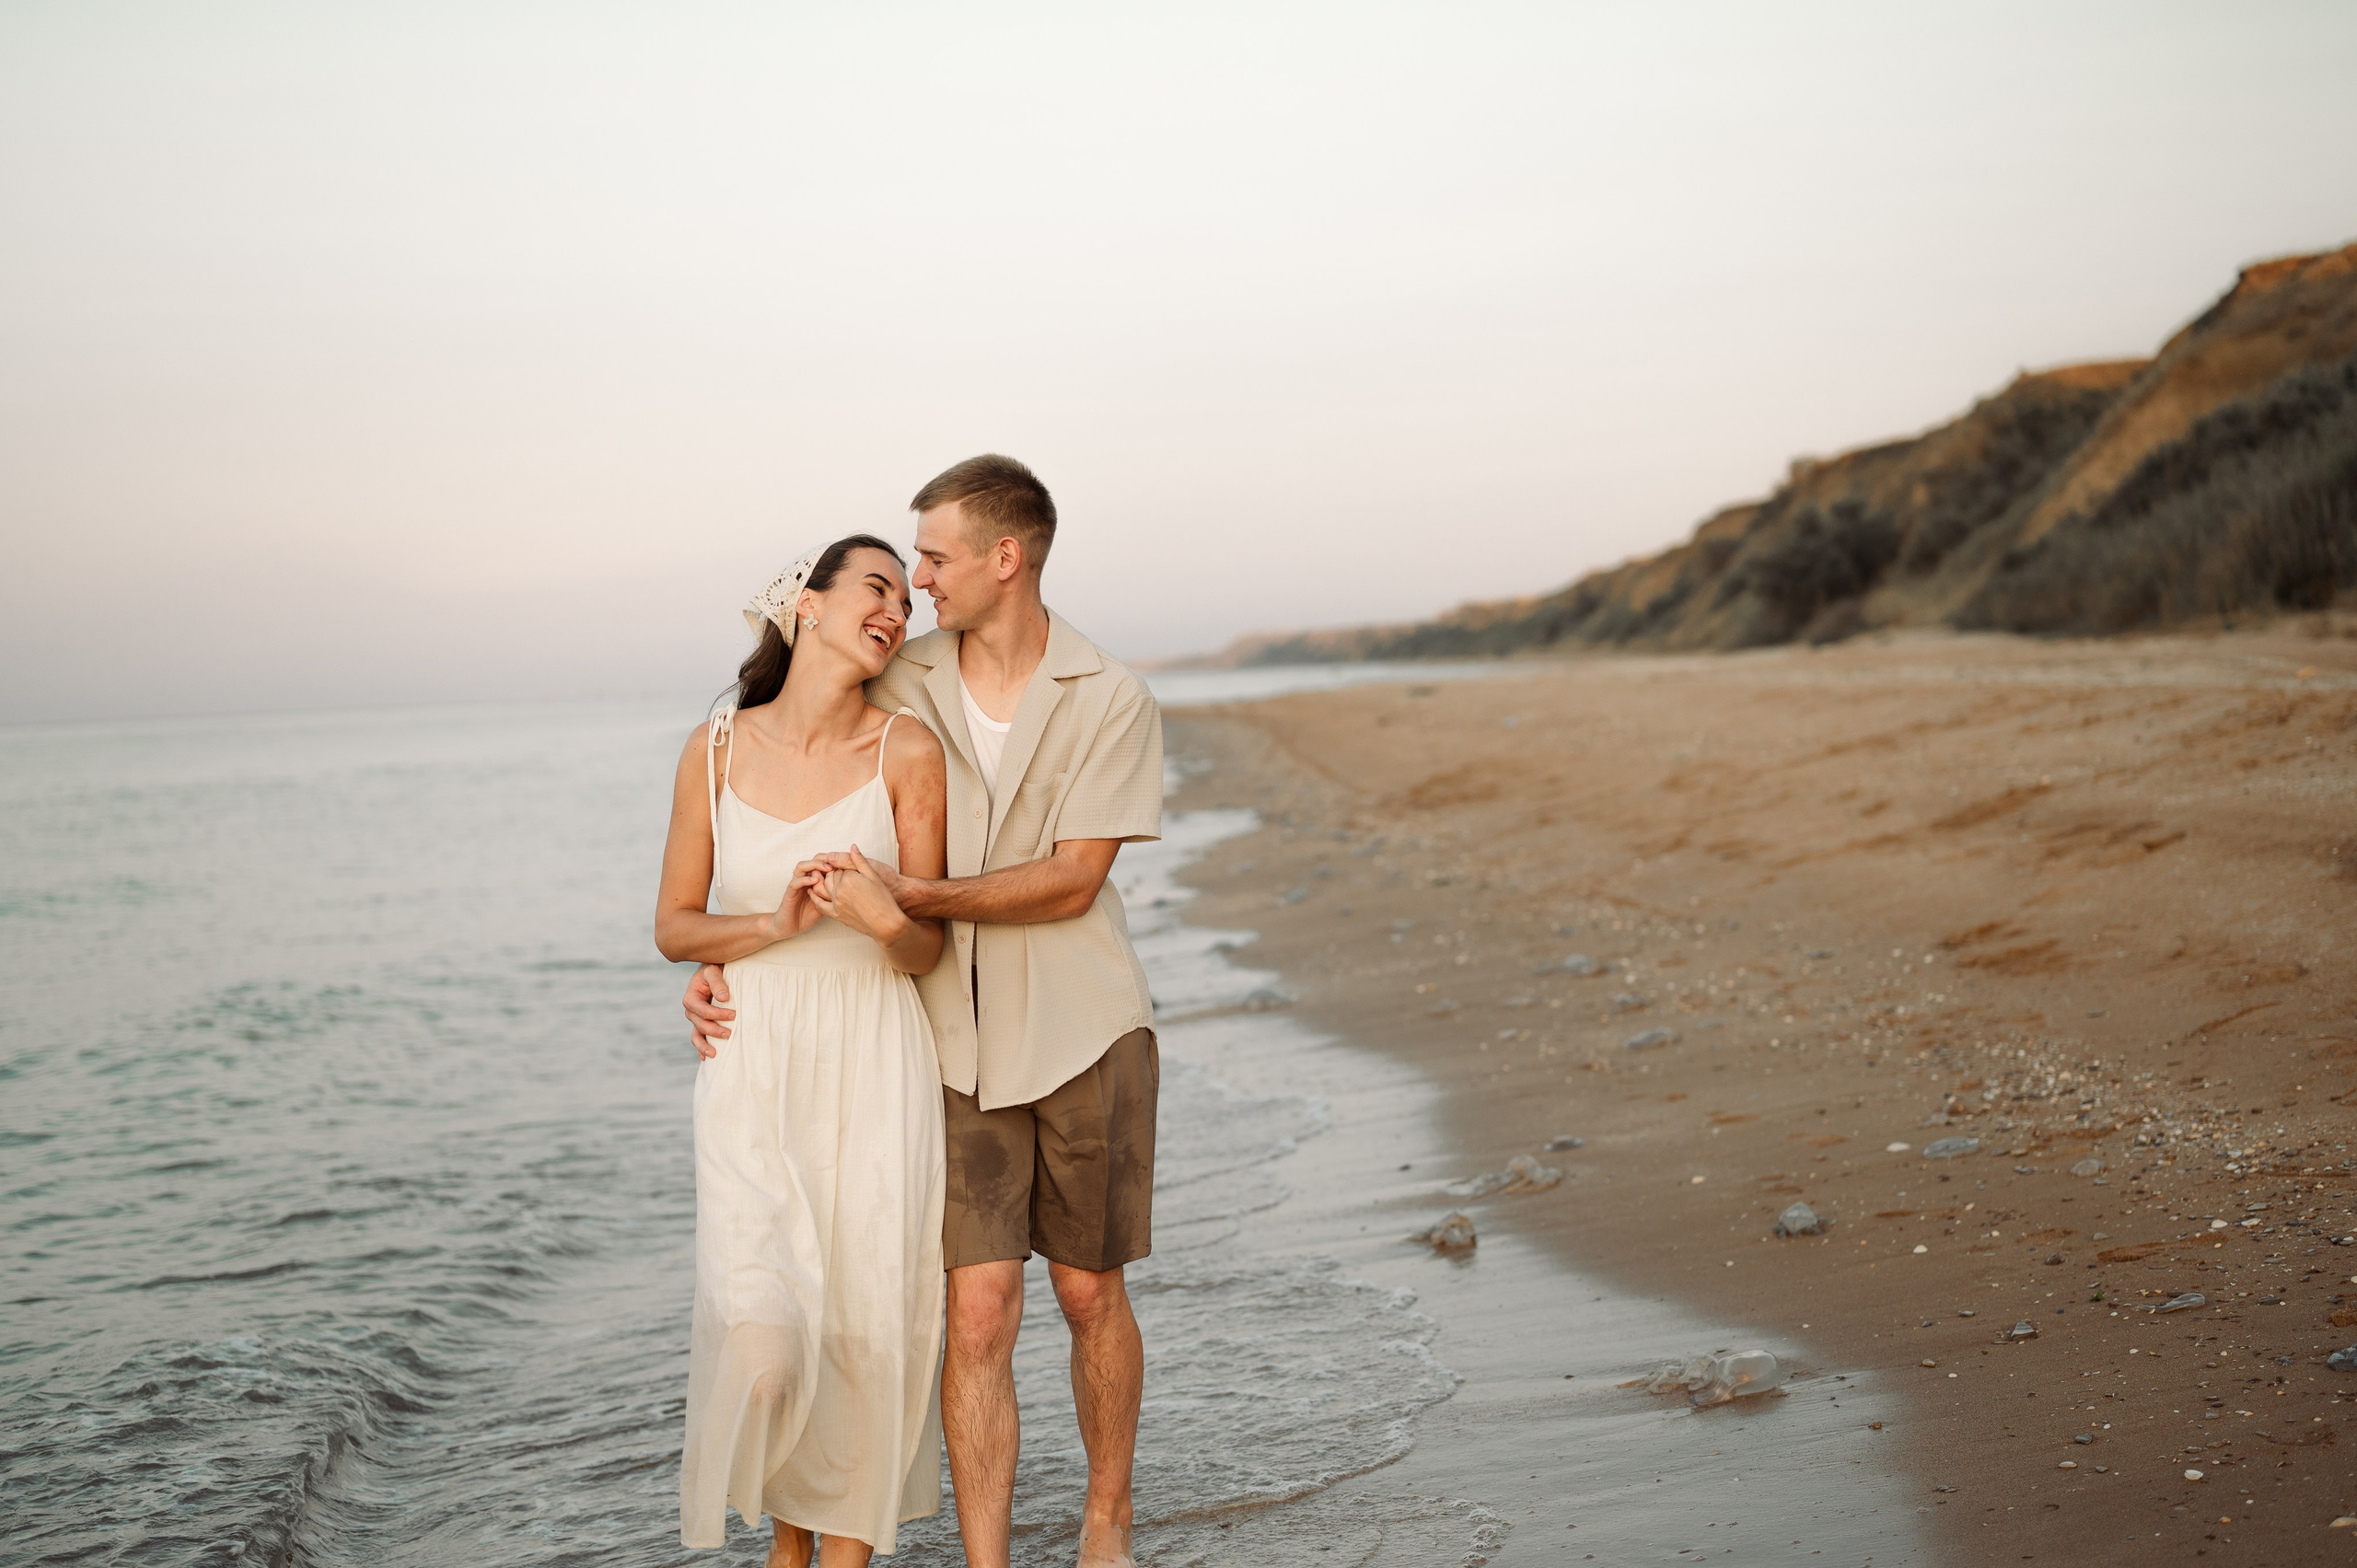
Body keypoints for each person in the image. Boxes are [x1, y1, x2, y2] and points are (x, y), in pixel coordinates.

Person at [686, 456, 1164, 1568]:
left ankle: (1107, 1520)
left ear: (1008, 558)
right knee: (980, 1312)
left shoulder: (1110, 697)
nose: (920, 583)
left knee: (1090, 1292)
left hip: (1086, 1025)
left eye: (937, 559)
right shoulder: (900, 677)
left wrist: (905, 893)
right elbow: (794, 761)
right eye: (907, 569)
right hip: (943, 1039)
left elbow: (1072, 880)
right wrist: (730, 954)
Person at [654, 533, 953, 1566]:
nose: (894, 611)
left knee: (865, 1324)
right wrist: (770, 930)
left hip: (875, 1054)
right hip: (751, 1057)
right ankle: (787, 1540)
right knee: (769, 1337)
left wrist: (879, 916)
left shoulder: (907, 750)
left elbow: (925, 949)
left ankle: (822, 1556)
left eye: (904, 603)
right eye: (875, 587)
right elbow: (675, 925)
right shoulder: (716, 747)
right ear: (808, 605)